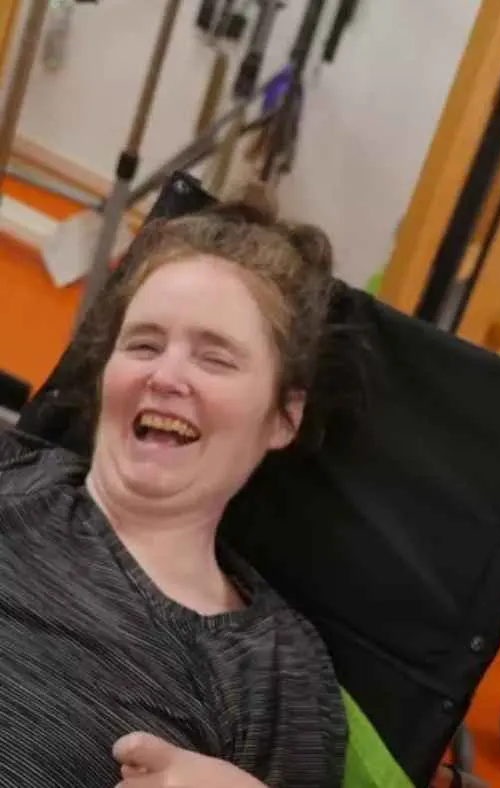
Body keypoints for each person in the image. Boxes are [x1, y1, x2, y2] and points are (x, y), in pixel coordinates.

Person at [0, 204, 350, 786]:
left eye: (214, 357)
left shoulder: (272, 672)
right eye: (143, 345)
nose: (164, 377)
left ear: (284, 418)